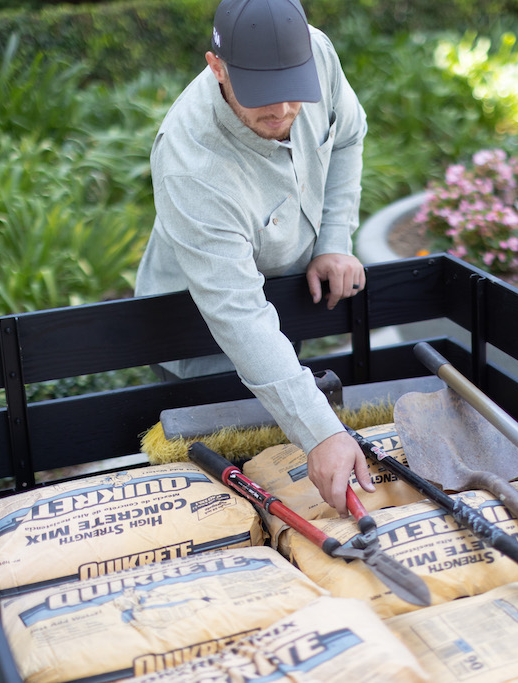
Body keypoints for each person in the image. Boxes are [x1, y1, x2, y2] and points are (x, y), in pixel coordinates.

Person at [134, 0, 373, 516]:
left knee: (283, 454)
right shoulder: (190, 162)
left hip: (281, 303)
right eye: (263, 98)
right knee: (226, 505)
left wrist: (334, 239)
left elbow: (348, 134)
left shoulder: (319, 53)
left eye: (293, 94)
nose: (283, 112)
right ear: (216, 67)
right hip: (197, 331)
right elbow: (239, 316)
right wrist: (322, 433)